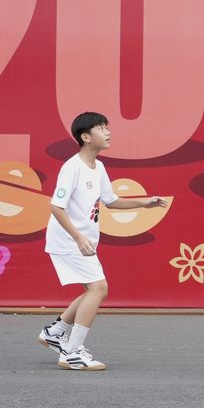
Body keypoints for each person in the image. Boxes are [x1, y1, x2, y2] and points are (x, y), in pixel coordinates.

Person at [37, 112, 168, 371]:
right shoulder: (72, 167)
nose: (107, 132)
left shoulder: (99, 167)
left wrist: (144, 201)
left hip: (81, 241)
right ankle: (71, 352)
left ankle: (56, 332)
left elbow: (111, 201)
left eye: (107, 127)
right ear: (86, 137)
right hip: (68, 240)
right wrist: (78, 238)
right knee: (99, 289)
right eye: (100, 128)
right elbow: (56, 207)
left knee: (93, 290)